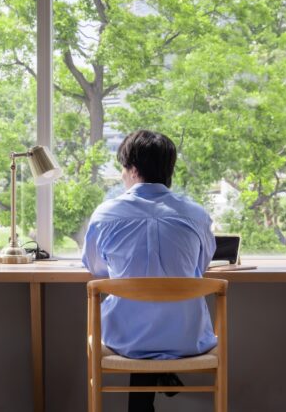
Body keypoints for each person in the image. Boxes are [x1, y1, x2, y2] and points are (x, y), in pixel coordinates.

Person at [82, 130, 216, 412]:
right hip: (187, 339)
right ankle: (159, 376)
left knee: (138, 320)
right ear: (170, 169)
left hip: (126, 340)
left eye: (122, 168)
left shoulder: (106, 214)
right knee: (162, 319)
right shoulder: (196, 214)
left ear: (132, 169)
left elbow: (96, 269)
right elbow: (200, 268)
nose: (121, 176)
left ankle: (147, 391)